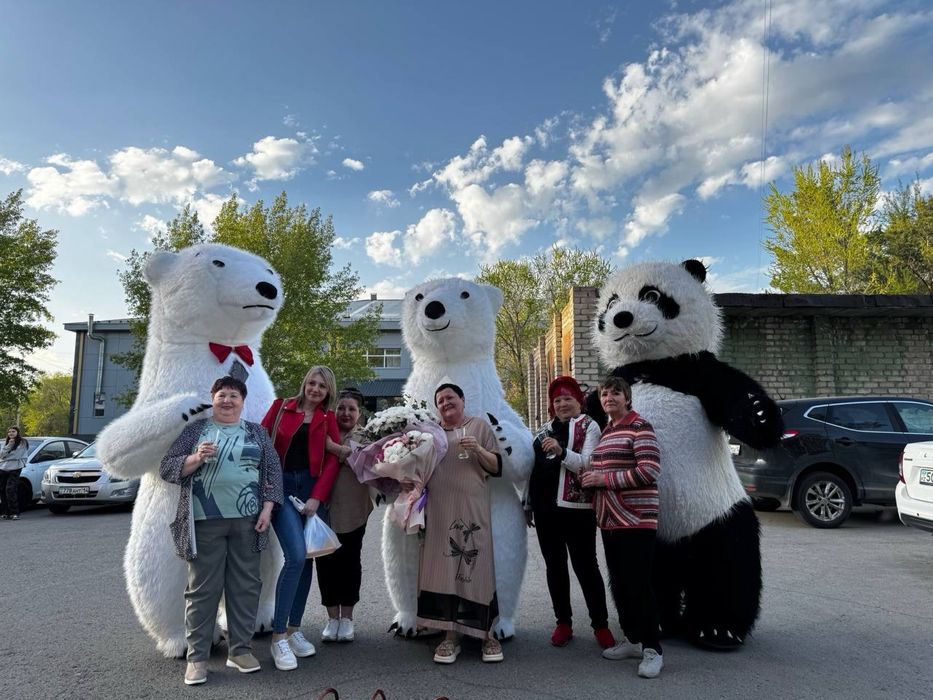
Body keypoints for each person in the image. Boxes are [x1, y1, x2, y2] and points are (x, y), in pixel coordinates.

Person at [160, 375, 283, 687]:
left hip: (248, 521)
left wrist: (268, 509)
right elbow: (168, 468)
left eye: (234, 396)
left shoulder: (257, 432)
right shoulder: (195, 431)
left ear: (242, 402)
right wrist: (196, 457)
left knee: (246, 586)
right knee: (203, 589)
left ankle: (240, 650)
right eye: (222, 395)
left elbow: (271, 473)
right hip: (204, 521)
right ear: (212, 399)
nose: (227, 401)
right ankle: (197, 658)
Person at [580, 374, 664, 679]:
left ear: (627, 398)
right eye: (604, 395)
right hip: (610, 520)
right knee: (622, 583)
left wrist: (604, 479)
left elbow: (650, 470)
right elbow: (603, 470)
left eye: (615, 394)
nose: (608, 399)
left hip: (636, 519)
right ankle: (632, 639)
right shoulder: (607, 431)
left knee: (639, 585)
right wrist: (590, 481)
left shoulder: (640, 426)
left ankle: (653, 649)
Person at [416, 382, 504, 664]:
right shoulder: (430, 432)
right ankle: (449, 635)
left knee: (476, 567)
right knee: (443, 569)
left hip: (471, 510)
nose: (445, 403)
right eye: (440, 400)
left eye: (450, 397)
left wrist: (478, 449)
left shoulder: (479, 426)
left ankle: (487, 634)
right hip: (439, 509)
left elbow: (496, 467)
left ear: (463, 399)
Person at [261, 365, 341, 671]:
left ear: (328, 391)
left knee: (307, 559)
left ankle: (294, 630)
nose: (315, 388)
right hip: (281, 487)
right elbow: (263, 443)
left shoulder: (327, 418)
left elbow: (333, 459)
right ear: (304, 383)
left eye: (322, 385)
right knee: (295, 556)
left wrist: (317, 497)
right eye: (312, 382)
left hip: (310, 488)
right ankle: (278, 636)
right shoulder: (281, 407)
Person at [525, 376, 615, 650]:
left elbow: (589, 463)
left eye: (568, 399)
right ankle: (563, 622)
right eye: (557, 400)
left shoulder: (590, 426)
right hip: (545, 511)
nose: (563, 404)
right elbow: (533, 471)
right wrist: (528, 504)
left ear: (579, 401)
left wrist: (562, 451)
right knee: (555, 567)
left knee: (586, 567)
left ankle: (600, 625)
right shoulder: (544, 430)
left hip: (577, 510)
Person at [318, 387, 373, 643]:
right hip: (323, 509)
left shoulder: (368, 437)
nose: (346, 413)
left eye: (351, 409)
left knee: (350, 563)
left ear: (359, 413)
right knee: (326, 564)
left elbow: (366, 465)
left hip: (355, 510)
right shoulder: (322, 432)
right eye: (341, 408)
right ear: (333, 410)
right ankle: (332, 619)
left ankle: (347, 618)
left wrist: (336, 449)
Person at [0, 427, 29, 521]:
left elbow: (17, 455)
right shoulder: (6, 442)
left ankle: (14, 513)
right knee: (2, 490)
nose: (11, 433)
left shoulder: (23, 442)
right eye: (9, 432)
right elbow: (1, 455)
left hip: (15, 468)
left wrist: (5, 456)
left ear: (17, 432)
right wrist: (9, 444)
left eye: (13, 431)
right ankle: (4, 512)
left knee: (10, 490)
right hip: (3, 468)